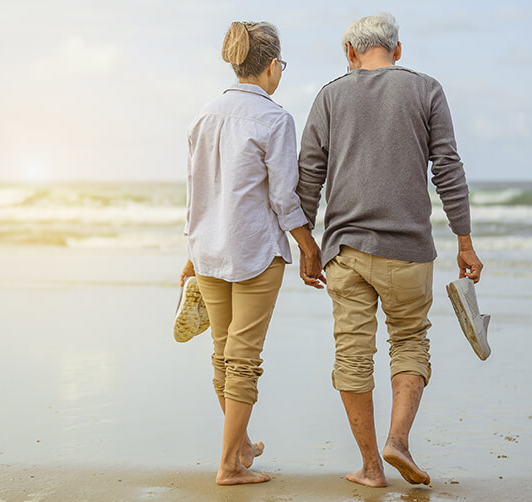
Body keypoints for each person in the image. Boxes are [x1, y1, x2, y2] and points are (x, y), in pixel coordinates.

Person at [296, 13, 483, 487]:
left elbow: (308, 177)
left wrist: (307, 246)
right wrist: (464, 240)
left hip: (346, 250)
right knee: (410, 342)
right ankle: (397, 440)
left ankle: (371, 467)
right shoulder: (426, 89)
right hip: (409, 251)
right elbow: (448, 169)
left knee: (353, 356)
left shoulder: (331, 95)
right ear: (397, 51)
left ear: (350, 54)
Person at [180, 21, 324, 486]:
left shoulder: (204, 115)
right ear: (270, 66)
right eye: (280, 64)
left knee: (223, 355)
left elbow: (195, 193)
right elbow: (284, 198)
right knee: (243, 359)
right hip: (255, 251)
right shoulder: (275, 119)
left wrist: (190, 251)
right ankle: (227, 466)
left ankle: (239, 447)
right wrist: (307, 246)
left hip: (208, 251)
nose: (280, 72)